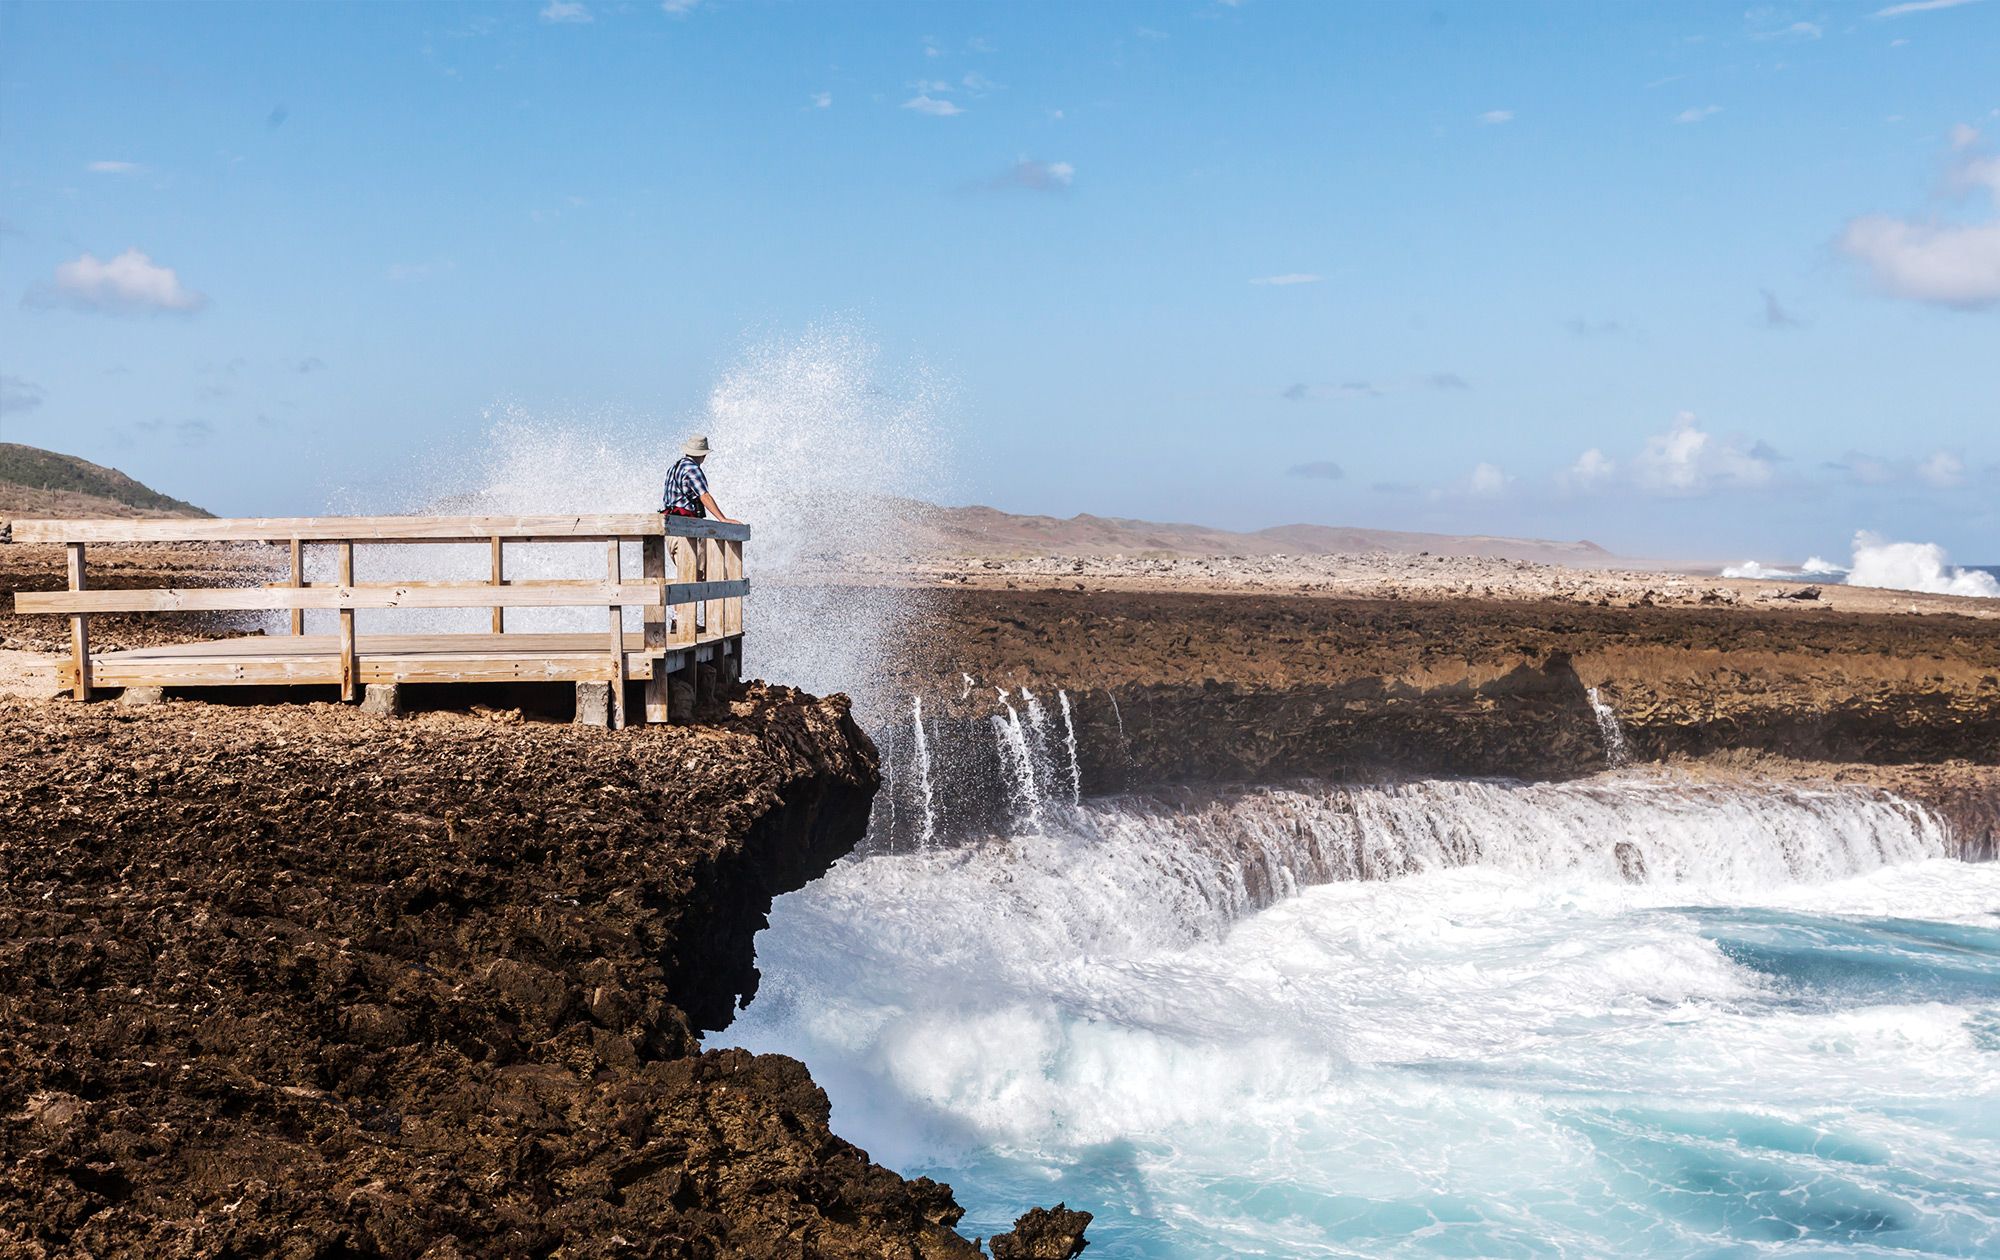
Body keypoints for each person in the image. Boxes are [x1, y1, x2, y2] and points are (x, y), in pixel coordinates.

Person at [660, 434, 742, 524]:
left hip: (669, 519)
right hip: (684, 522)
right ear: (704, 455)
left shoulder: (673, 467)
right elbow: (705, 497)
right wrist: (723, 519)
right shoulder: (692, 469)